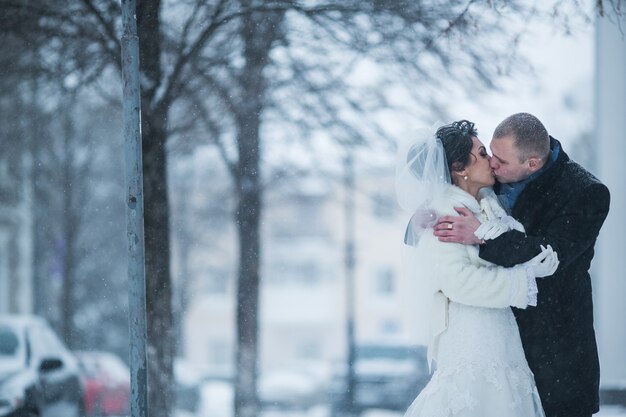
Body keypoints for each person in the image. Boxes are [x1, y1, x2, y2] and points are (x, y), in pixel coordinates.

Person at [433, 113, 611, 417]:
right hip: (492, 342)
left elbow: (551, 253)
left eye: (499, 160)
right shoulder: (489, 183)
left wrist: (481, 235)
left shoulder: (586, 193)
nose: (492, 164)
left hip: (557, 350)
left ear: (532, 163)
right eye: (488, 153)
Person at [397, 120, 558, 417]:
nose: (492, 162)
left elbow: (514, 247)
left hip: (498, 336)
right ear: (461, 168)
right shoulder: (444, 215)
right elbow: (458, 282)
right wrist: (521, 280)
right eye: (483, 153)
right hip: (472, 340)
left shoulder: (486, 206)